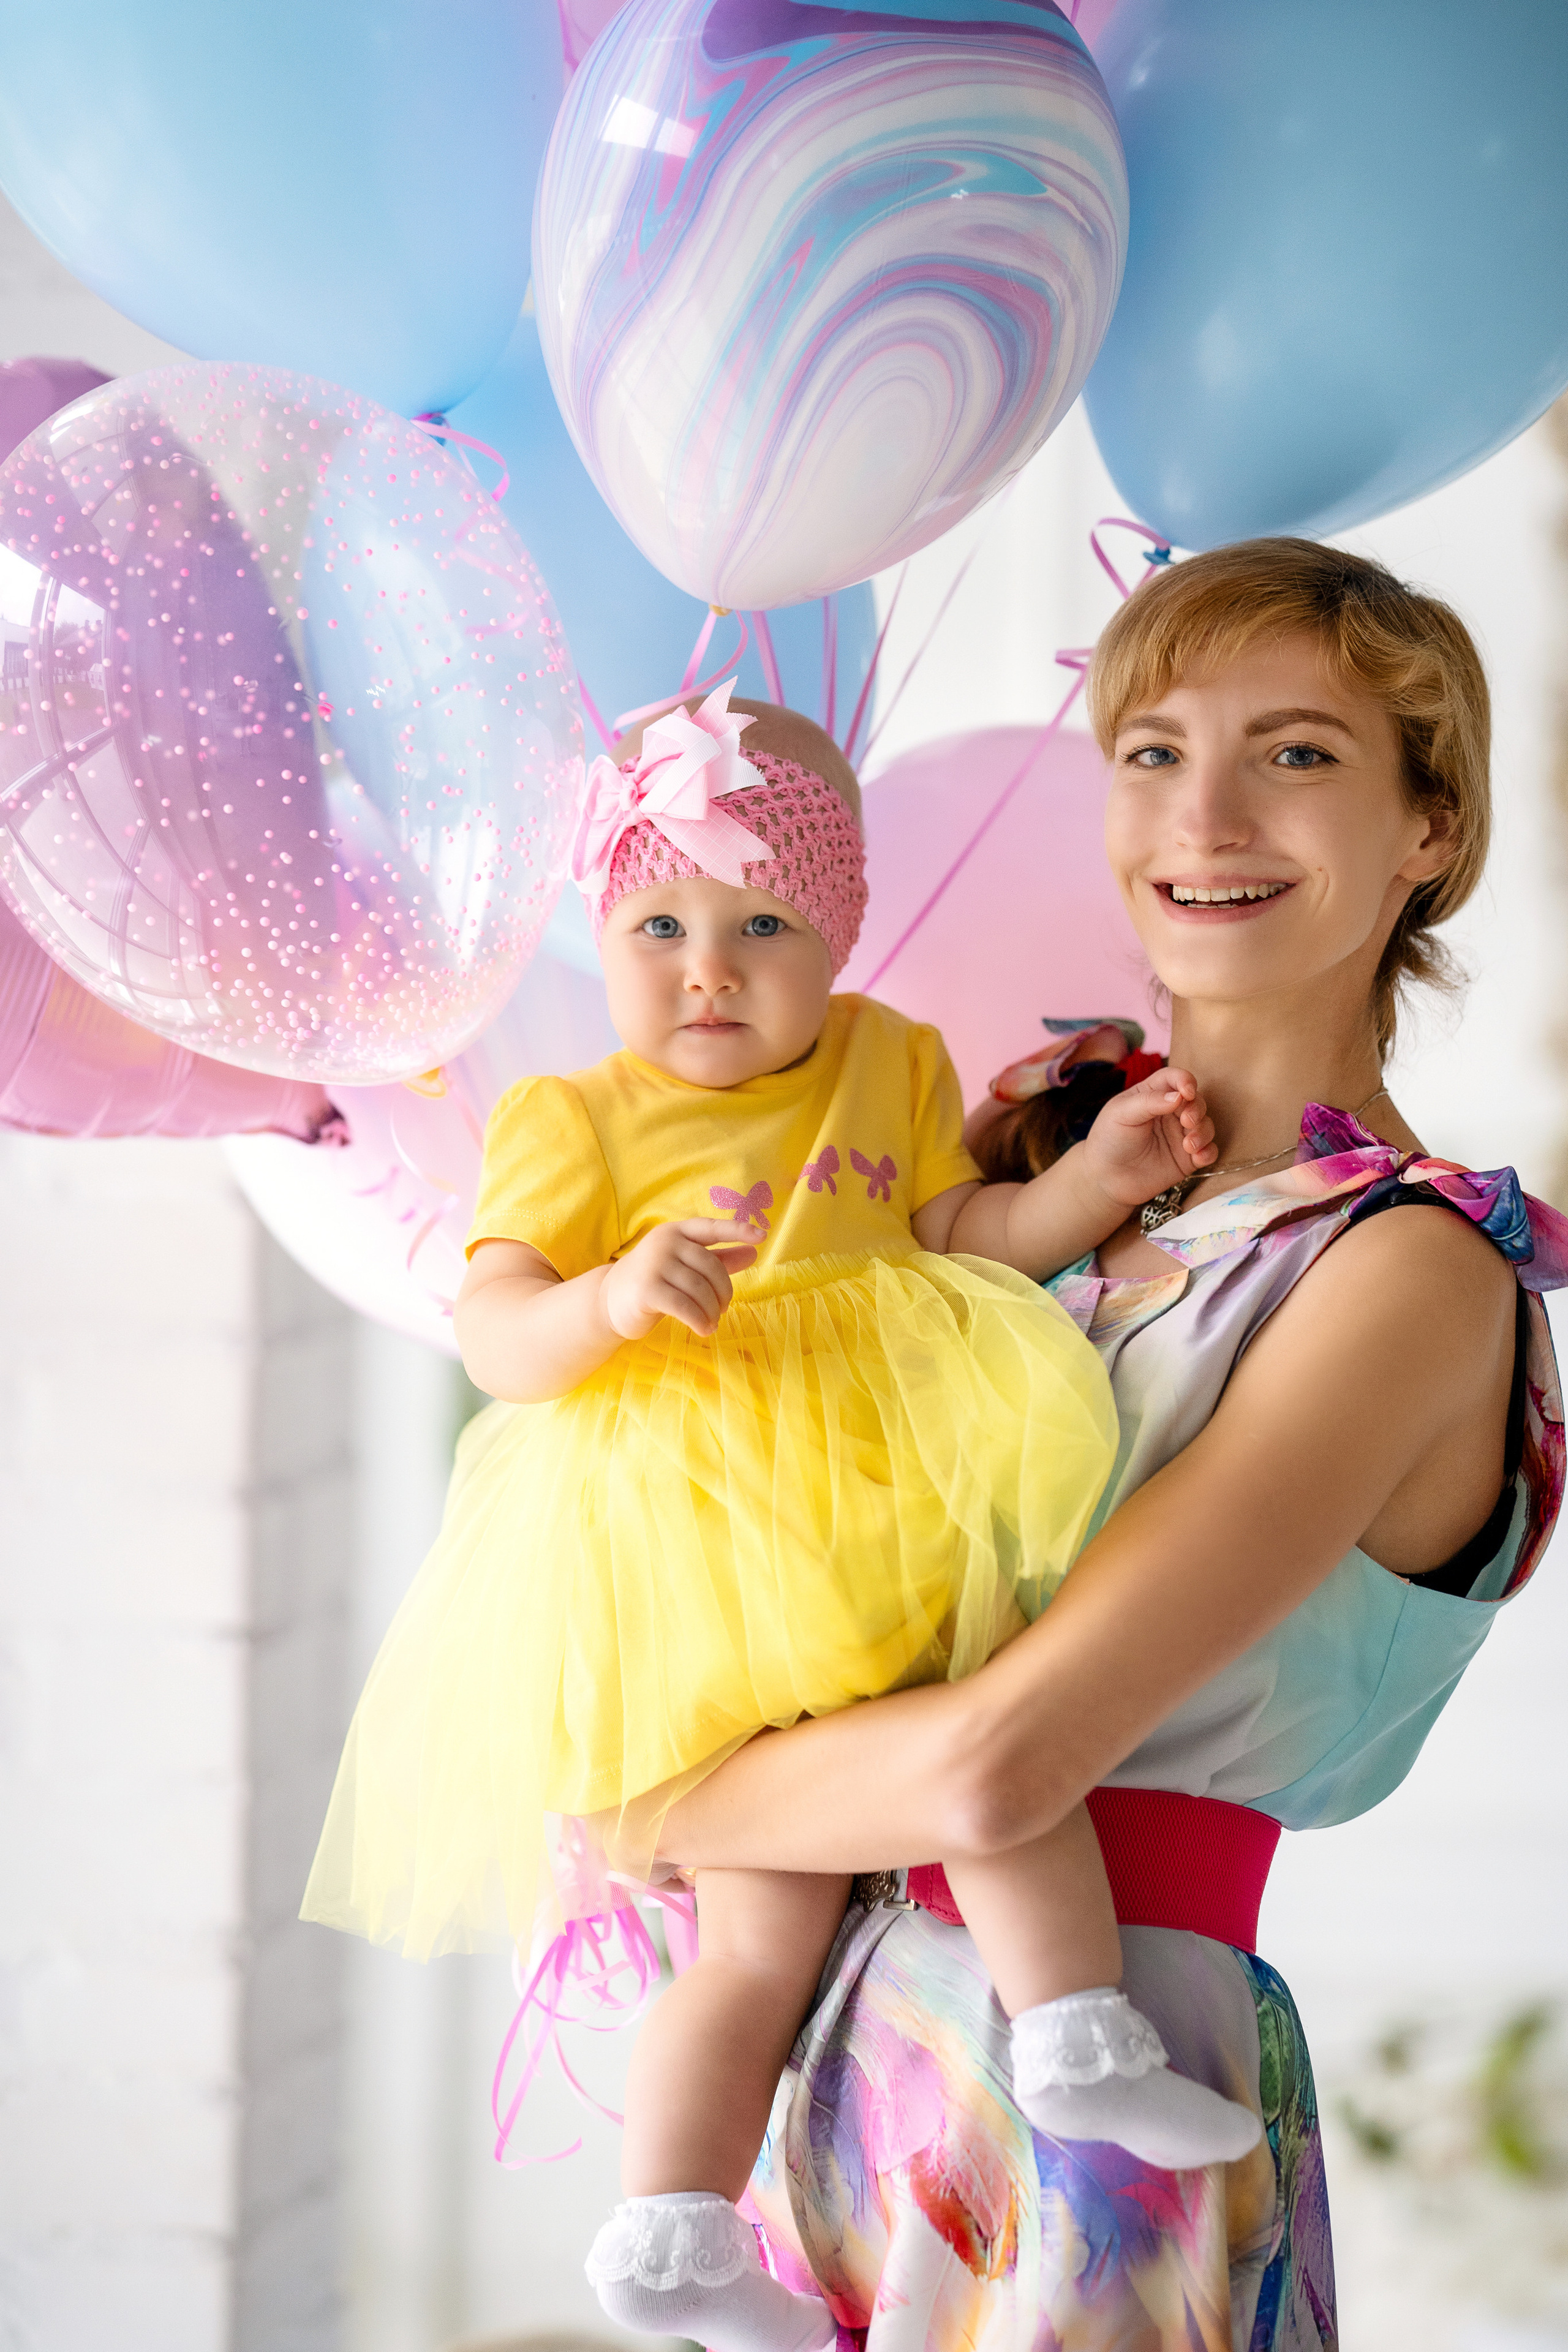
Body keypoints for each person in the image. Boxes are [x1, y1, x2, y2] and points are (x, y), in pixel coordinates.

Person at [639, 543, 1568, 2351]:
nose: (1205, 815)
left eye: (1296, 753)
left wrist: (659, 1802)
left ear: (1430, 828)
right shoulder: (1021, 1188)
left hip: (1104, 2070)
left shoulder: (1407, 1270)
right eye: (1153, 751)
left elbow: (1005, 1763)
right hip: (836, 2037)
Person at [303, 680, 1267, 2350]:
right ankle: (990, 2080)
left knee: (885, 1833)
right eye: (659, 926)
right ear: (602, 929)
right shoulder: (577, 1118)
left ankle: (788, 2177)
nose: (708, 969)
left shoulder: (890, 1060)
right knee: (897, 1822)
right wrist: (609, 1298)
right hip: (702, 1559)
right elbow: (498, 1333)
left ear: (838, 935)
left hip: (875, 1510)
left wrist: (1092, 1185)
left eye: (762, 925)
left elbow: (961, 1235)